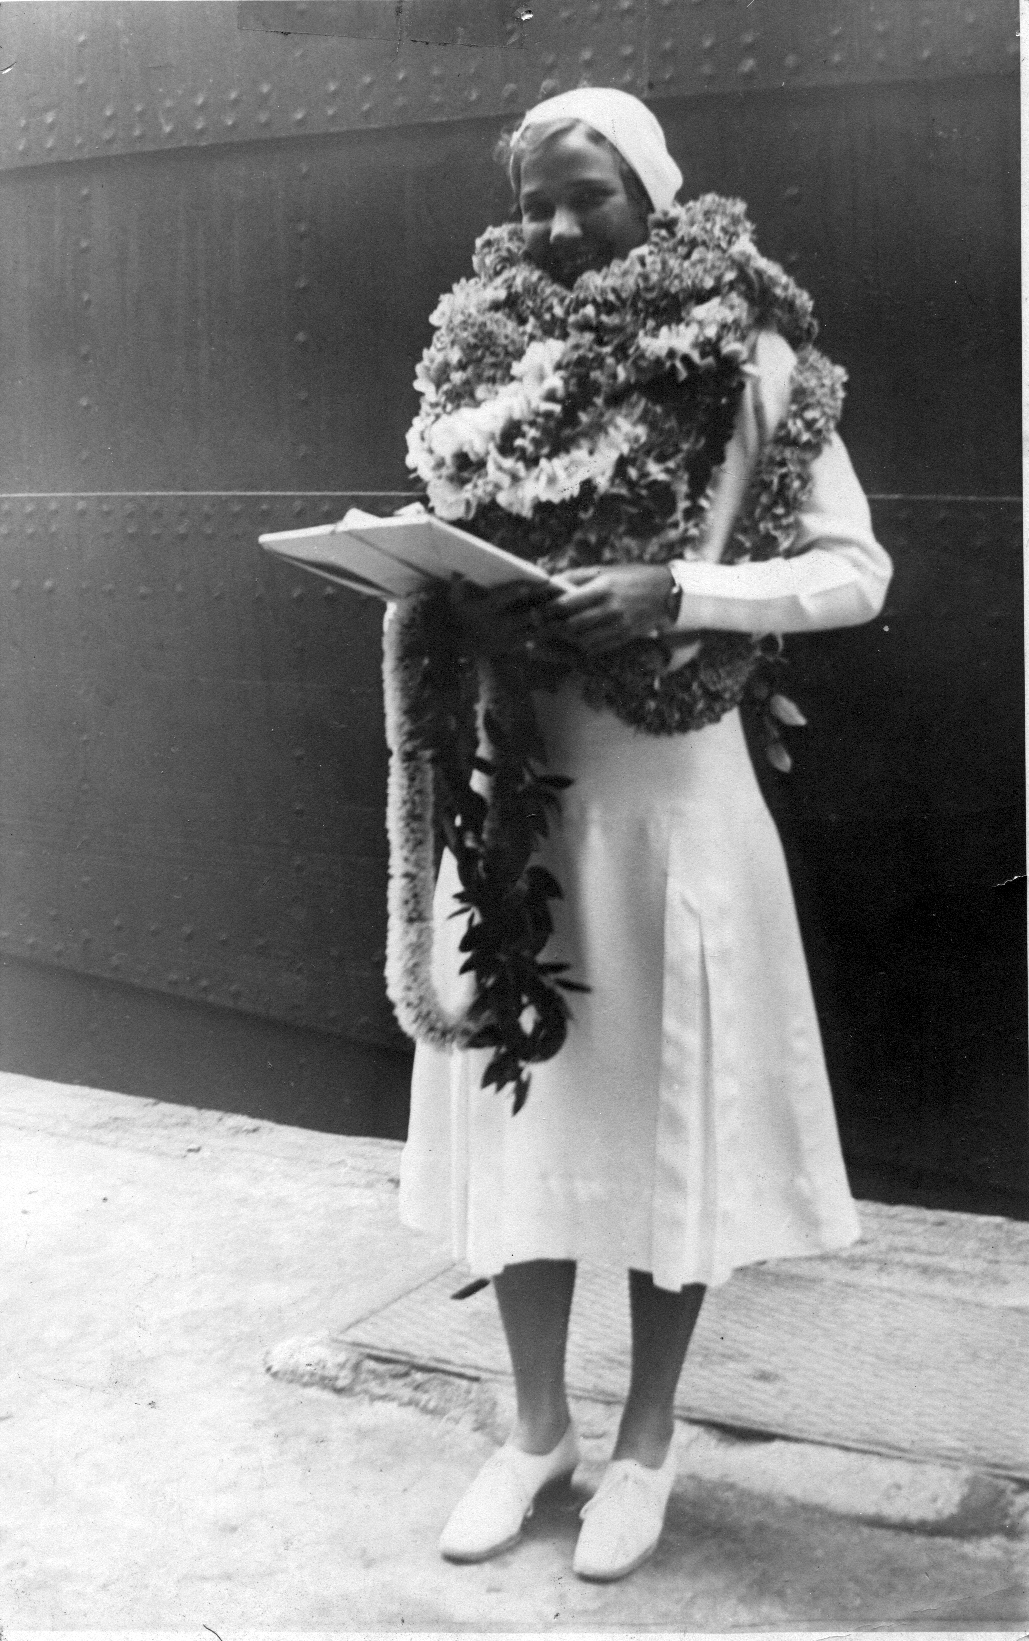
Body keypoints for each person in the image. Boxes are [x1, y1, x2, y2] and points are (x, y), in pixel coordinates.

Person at [396, 87, 893, 1582]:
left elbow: (854, 571)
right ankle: (534, 1429)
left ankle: (647, 1444)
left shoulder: (750, 353)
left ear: (654, 197)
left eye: (587, 196)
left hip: (671, 796)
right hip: (519, 784)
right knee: (523, 1108)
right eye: (534, 202)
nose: (556, 227)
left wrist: (676, 589)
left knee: (672, 1116)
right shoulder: (490, 354)